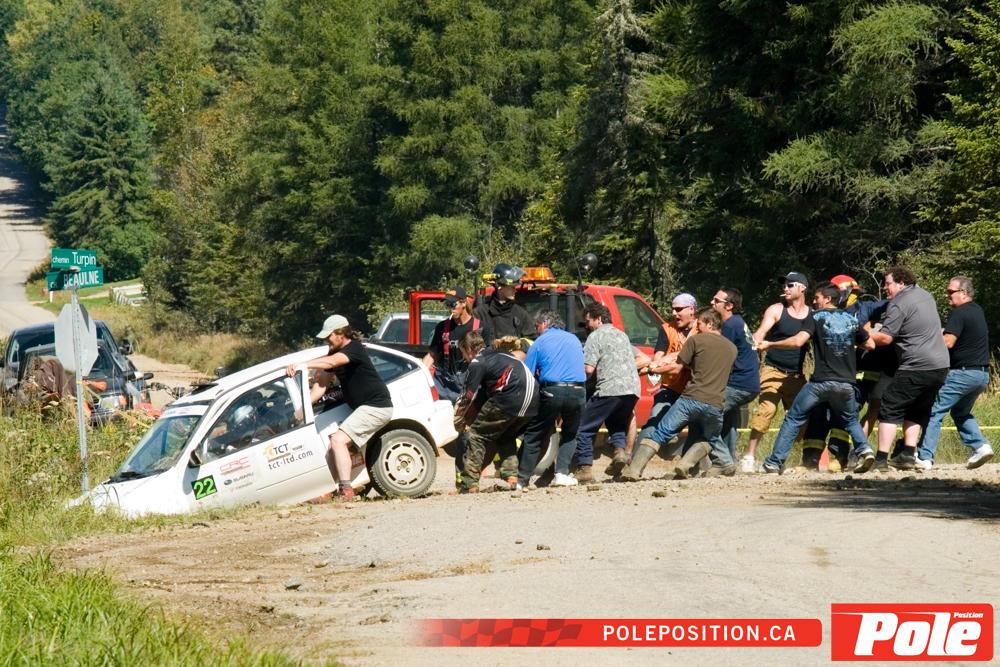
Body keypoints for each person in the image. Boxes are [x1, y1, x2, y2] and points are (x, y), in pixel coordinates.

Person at [758, 282, 877, 473]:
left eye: (817, 298)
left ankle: (774, 461)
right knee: (849, 420)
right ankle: (865, 450)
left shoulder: (814, 317)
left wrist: (770, 344)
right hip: (847, 383)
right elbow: (870, 344)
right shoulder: (851, 319)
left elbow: (798, 341)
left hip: (821, 382)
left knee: (794, 417)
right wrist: (848, 342)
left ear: (828, 299)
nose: (814, 302)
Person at [620, 307, 737, 480]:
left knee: (660, 432)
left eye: (699, 324)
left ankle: (633, 471)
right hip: (716, 404)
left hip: (691, 399)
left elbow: (676, 369)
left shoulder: (696, 340)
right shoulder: (732, 348)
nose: (697, 328)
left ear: (710, 323)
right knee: (711, 438)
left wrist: (651, 369)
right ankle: (698, 465)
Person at [287, 314, 393, 500]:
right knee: (333, 447)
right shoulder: (333, 353)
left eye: (329, 336)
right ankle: (328, 490)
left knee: (338, 441)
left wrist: (302, 365)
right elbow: (321, 386)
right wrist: (300, 411)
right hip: (364, 408)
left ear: (341, 333)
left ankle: (346, 490)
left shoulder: (354, 348)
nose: (326, 340)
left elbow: (333, 362)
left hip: (376, 406)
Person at [868, 267, 950, 471]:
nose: (885, 288)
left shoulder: (899, 302)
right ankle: (907, 454)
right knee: (917, 409)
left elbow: (886, 337)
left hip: (916, 365)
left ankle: (881, 459)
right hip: (941, 366)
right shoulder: (926, 295)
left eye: (888, 283)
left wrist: (861, 336)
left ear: (901, 283)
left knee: (889, 407)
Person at [916, 276, 993, 470]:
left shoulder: (960, 312)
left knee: (935, 411)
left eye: (950, 292)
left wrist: (927, 340)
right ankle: (981, 446)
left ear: (964, 293)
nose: (947, 295)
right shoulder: (977, 310)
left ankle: (924, 457)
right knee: (960, 412)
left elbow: (948, 342)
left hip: (962, 374)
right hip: (982, 375)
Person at [742, 272, 812, 472]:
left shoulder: (812, 314)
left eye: (790, 285)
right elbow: (760, 333)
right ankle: (749, 456)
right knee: (766, 410)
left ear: (802, 288)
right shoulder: (776, 309)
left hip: (797, 375)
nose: (785, 288)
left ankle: (787, 459)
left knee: (802, 418)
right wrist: (754, 342)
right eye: (784, 285)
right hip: (772, 369)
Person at [453, 331, 539, 493]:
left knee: (476, 435)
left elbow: (467, 396)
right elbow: (484, 394)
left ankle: (468, 484)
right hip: (533, 401)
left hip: (510, 397)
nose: (463, 357)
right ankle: (511, 477)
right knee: (506, 435)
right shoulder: (501, 354)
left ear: (469, 349)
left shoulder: (477, 362)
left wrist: (458, 418)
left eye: (462, 352)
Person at [517, 310, 587, 488]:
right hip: (578, 390)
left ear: (544, 323)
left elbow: (527, 374)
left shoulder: (540, 342)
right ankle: (561, 474)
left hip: (552, 390)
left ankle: (521, 479)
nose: (536, 330)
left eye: (537, 326)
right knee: (570, 433)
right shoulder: (574, 339)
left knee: (535, 434)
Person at [573, 302, 641, 483]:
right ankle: (620, 453)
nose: (587, 325)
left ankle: (584, 469)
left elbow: (588, 369)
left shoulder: (595, 336)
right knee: (616, 424)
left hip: (609, 389)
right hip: (632, 389)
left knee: (584, 428)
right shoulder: (622, 335)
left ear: (599, 319)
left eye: (588, 321)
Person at [634, 293, 698, 456]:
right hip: (670, 386)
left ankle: (698, 466)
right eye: (673, 309)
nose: (674, 313)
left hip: (695, 389)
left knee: (699, 430)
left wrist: (669, 360)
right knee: (653, 420)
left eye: (679, 309)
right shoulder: (667, 328)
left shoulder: (702, 328)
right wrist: (656, 368)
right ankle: (633, 460)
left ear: (691, 310)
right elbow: (658, 356)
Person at [710, 288, 760, 465]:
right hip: (748, 383)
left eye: (716, 301)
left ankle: (720, 461)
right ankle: (729, 461)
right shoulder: (737, 322)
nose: (712, 303)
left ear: (729, 306)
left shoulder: (730, 325)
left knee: (706, 414)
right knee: (728, 421)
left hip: (738, 384)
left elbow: (720, 357)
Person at [423, 286, 480, 402]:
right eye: (447, 305)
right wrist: (419, 374)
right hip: (445, 387)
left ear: (463, 303)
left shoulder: (480, 327)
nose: (450, 309)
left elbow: (487, 360)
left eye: (453, 304)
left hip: (471, 384)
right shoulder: (442, 327)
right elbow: (431, 356)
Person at [474, 263, 535, 348]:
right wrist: (493, 345)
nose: (515, 290)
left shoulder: (521, 314)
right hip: (488, 356)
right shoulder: (480, 313)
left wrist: (518, 344)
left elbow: (532, 341)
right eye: (512, 287)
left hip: (514, 356)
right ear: (499, 286)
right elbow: (472, 341)